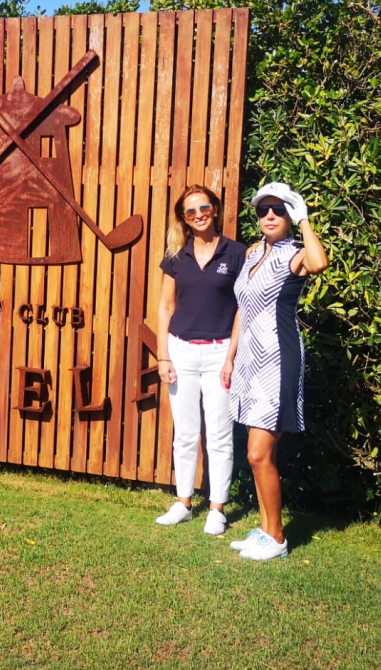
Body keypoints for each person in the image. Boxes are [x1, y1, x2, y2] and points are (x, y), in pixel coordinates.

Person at [225, 182, 329, 560]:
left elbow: (319, 264)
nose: (270, 215)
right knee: (256, 454)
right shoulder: (253, 255)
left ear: (288, 214)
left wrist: (304, 220)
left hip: (278, 360)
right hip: (249, 362)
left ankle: (278, 539)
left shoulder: (296, 255)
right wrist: (230, 358)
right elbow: (243, 308)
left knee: (258, 454)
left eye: (278, 209)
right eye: (263, 209)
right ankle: (267, 530)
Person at [154, 185, 247, 535]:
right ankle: (183, 502)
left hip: (220, 352)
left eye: (203, 208)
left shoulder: (236, 253)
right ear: (184, 219)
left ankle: (217, 509)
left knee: (221, 433)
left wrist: (231, 357)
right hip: (181, 351)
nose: (198, 215)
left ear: (215, 209)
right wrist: (163, 356)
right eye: (189, 212)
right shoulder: (176, 255)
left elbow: (243, 308)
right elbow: (165, 307)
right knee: (186, 433)